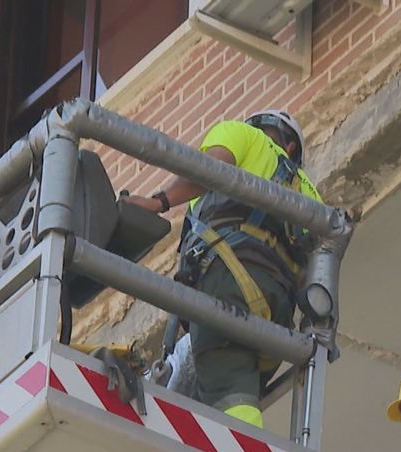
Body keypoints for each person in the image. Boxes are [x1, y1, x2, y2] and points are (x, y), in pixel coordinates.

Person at [125, 109, 322, 428]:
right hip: (278, 312)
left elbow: (207, 170)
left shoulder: (242, 135)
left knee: (227, 389)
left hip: (228, 279)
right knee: (229, 389)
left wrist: (159, 202)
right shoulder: (311, 193)